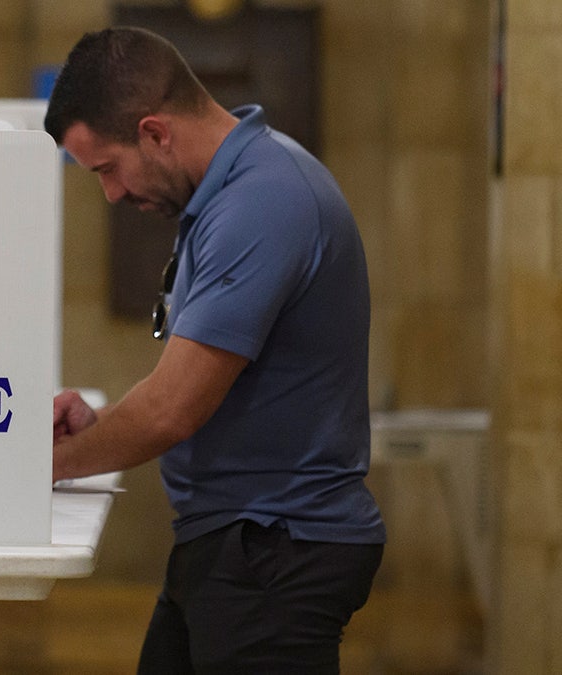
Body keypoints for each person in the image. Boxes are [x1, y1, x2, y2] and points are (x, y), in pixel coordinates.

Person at [46, 27, 386, 674]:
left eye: (107, 169)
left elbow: (172, 408)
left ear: (155, 132)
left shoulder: (264, 201)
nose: (111, 194)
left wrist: (50, 462)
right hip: (237, 542)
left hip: (276, 551)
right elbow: (181, 386)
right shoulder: (231, 196)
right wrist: (98, 428)